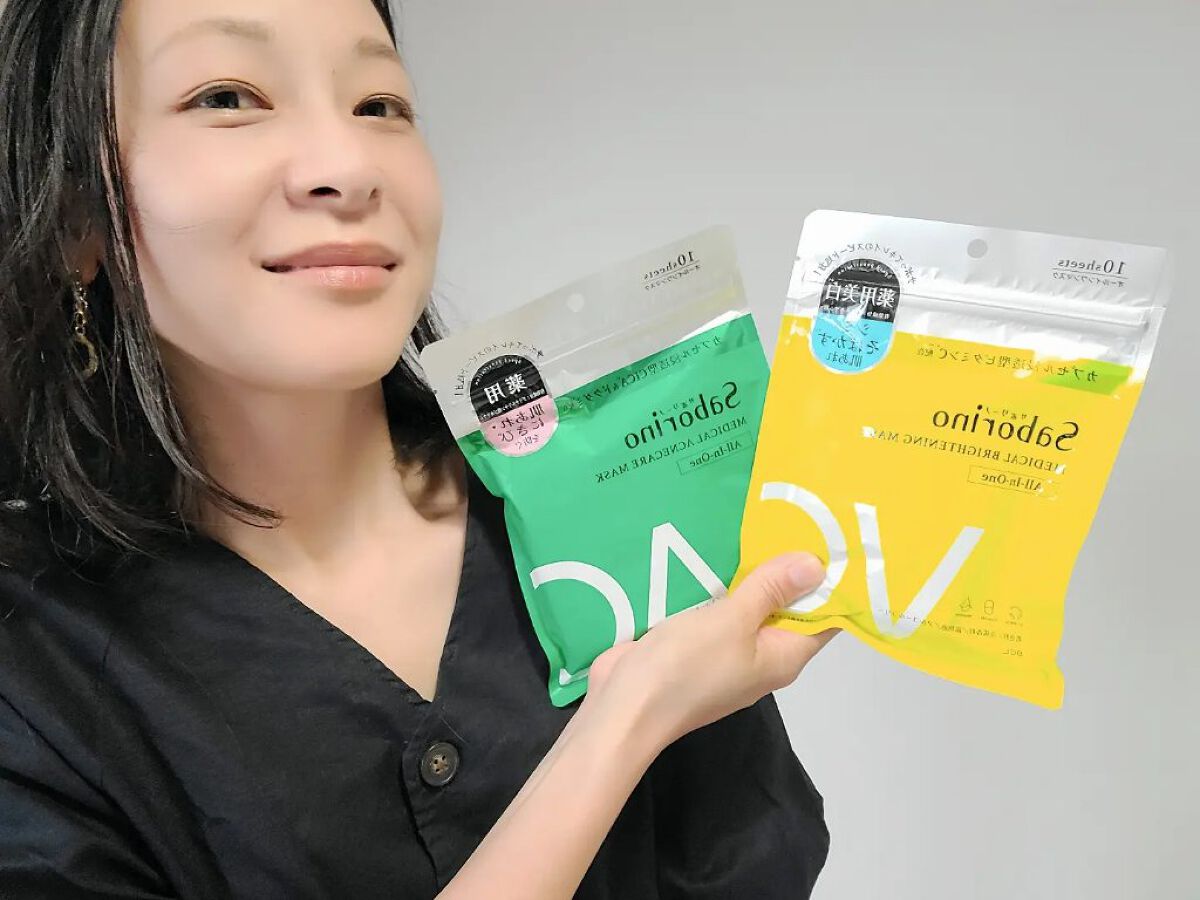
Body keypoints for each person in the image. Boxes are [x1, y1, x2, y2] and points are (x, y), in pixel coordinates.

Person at [0, 0, 839, 897]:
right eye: (227, 97)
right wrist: (626, 725)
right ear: (77, 217)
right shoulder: (32, 664)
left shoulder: (600, 497)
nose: (348, 167)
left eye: (379, 104)